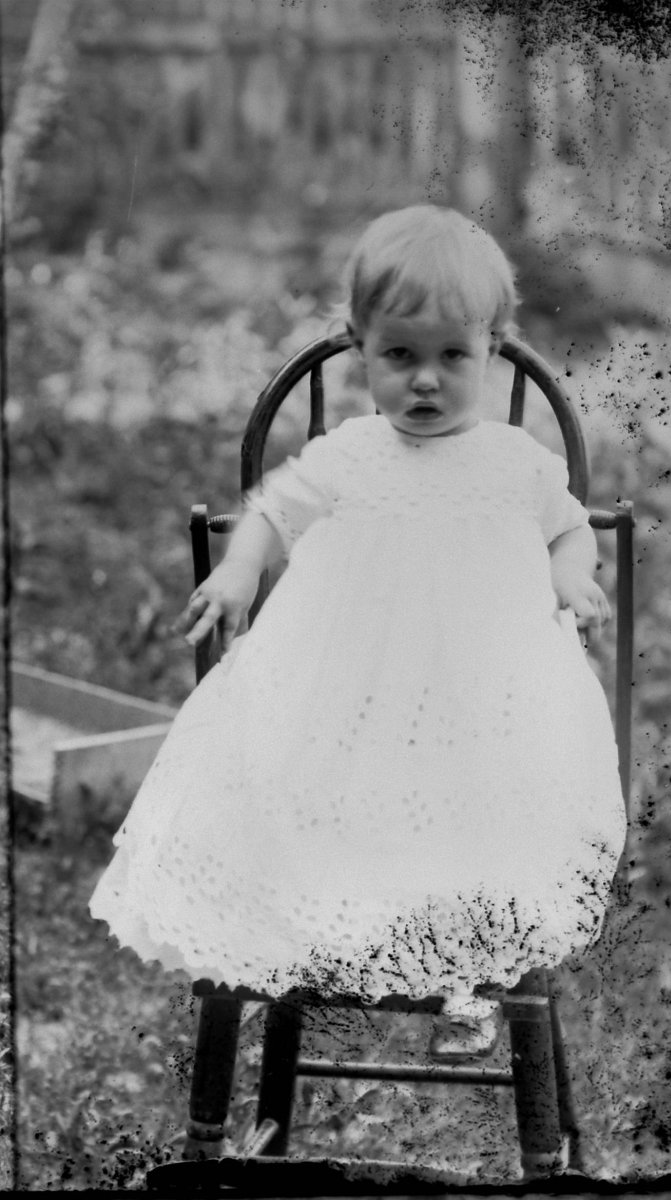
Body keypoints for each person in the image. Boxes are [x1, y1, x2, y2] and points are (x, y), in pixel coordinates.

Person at [90, 205, 627, 1069]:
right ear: (360, 348)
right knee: (318, 802)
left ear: (493, 347)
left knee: (476, 828)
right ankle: (302, 938)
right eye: (399, 356)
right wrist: (238, 571)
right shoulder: (349, 454)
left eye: (453, 357)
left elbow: (569, 529)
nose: (426, 382)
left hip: (481, 699)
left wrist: (569, 573)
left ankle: (466, 976)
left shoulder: (515, 462)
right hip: (347, 690)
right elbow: (272, 512)